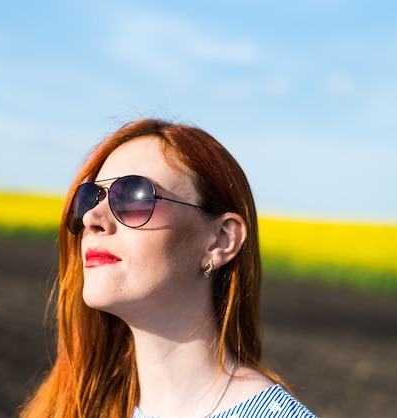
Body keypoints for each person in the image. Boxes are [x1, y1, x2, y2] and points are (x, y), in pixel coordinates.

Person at [20, 119, 316, 418]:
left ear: (221, 240)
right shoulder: (74, 407)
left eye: (134, 196)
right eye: (88, 199)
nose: (91, 218)